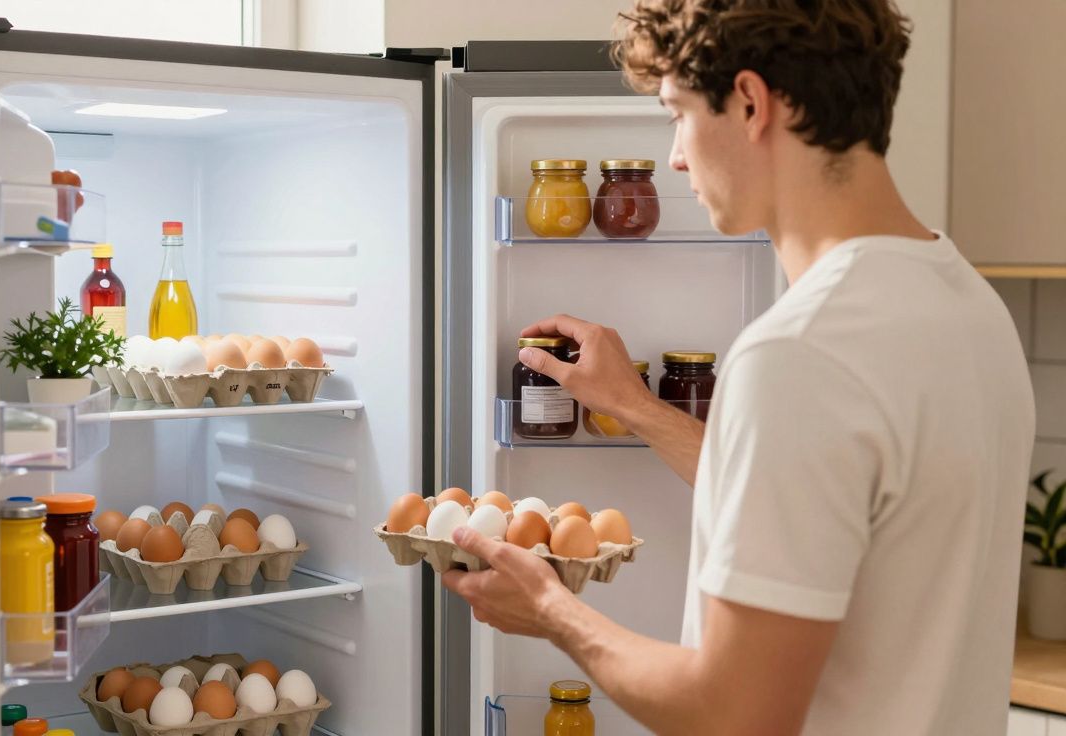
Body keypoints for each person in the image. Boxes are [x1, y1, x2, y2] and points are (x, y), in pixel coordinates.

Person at [441, 1, 1036, 733]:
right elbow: (824, 500)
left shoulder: (800, 353)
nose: (676, 157)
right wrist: (635, 407)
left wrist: (552, 612)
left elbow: (732, 712)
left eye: (678, 114)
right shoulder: (967, 306)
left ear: (751, 103)